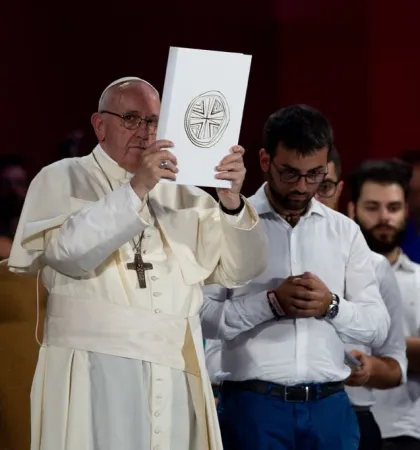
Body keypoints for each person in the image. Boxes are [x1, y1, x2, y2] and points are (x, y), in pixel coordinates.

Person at [5, 76, 268, 450]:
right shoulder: (62, 177)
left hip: (175, 374)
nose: (145, 132)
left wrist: (231, 203)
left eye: (154, 121)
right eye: (131, 119)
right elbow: (68, 254)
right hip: (93, 371)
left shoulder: (185, 193)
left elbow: (241, 269)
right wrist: (138, 188)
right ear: (99, 125)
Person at [199, 104, 391, 450]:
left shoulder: (345, 232)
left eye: (315, 174)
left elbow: (377, 326)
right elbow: (202, 319)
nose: (303, 186)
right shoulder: (226, 223)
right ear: (264, 161)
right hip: (253, 408)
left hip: (331, 408)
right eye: (290, 173)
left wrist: (330, 305)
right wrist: (270, 304)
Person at [347, 159, 420, 450]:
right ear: (352, 209)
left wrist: (355, 342)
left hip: (412, 433)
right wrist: (409, 349)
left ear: (406, 211)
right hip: (343, 427)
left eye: (393, 208)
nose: (384, 217)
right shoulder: (331, 277)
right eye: (372, 207)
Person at [312, 147, 408, 450]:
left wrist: (370, 369)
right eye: (297, 179)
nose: (309, 195)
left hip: (351, 416)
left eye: (323, 186)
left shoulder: (376, 267)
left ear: (340, 190)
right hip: (269, 413)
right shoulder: (257, 251)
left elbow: (396, 364)